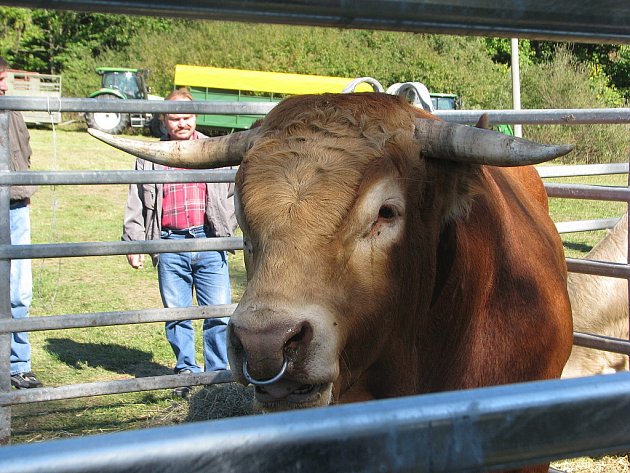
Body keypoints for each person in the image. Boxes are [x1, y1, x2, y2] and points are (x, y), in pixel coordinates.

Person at [123, 88, 237, 397]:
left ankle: (216, 373)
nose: (182, 123)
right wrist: (135, 242)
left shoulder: (213, 151)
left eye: (187, 117)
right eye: (175, 118)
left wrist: (227, 226)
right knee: (177, 314)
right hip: (170, 244)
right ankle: (187, 371)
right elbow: (136, 199)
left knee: (219, 313)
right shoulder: (150, 157)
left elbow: (231, 193)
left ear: (196, 116)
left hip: (209, 241)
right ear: (164, 119)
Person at [0, 57, 42, 389]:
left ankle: (17, 365)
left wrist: (23, 190)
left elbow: (23, 152)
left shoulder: (12, 111)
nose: (4, 85)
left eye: (5, 79)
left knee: (19, 291)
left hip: (16, 207)